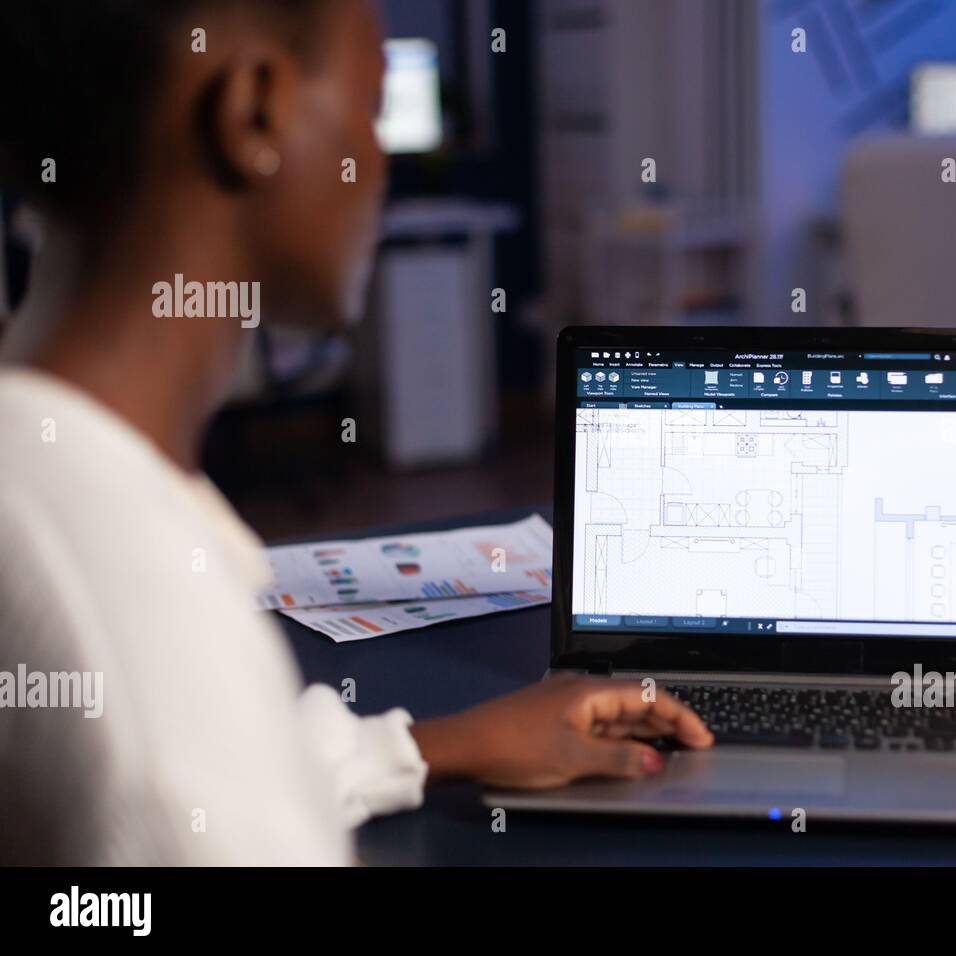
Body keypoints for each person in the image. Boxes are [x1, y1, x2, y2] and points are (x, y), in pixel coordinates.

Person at [0, 0, 712, 865]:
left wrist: (431, 746)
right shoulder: (148, 646)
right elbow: (191, 782)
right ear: (255, 110)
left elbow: (234, 773)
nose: (380, 165)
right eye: (371, 113)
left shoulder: (41, 483)